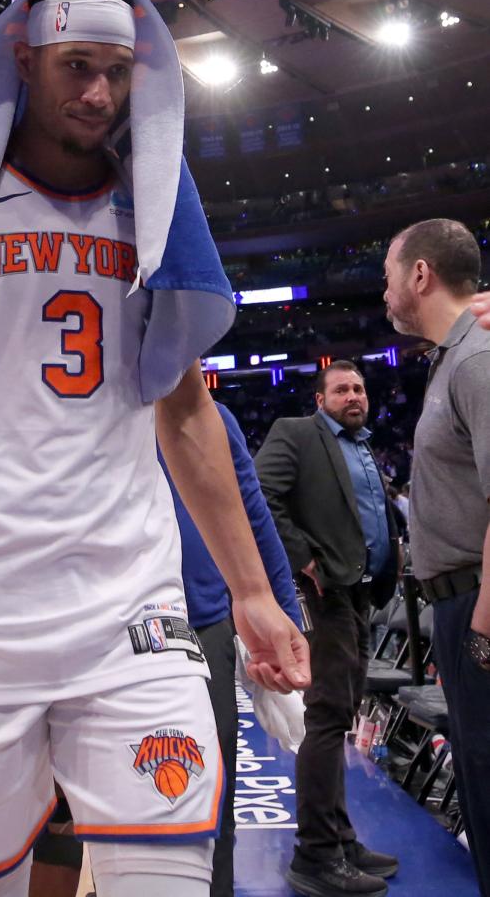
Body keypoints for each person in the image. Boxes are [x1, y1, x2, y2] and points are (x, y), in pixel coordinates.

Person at [0, 0, 309, 897]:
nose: (98, 93)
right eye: (75, 67)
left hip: (129, 614)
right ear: (22, 56)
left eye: (117, 69)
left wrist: (253, 592)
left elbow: (182, 406)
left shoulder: (155, 202)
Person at [255, 360, 400, 897]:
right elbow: (261, 495)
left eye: (359, 387)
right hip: (323, 594)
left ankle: (339, 836)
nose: (353, 395)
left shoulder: (362, 446)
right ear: (320, 400)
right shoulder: (295, 434)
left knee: (340, 715)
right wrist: (304, 560)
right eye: (341, 389)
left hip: (361, 593)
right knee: (325, 718)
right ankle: (315, 854)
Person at [383, 218, 490, 897]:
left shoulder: (475, 358)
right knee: (477, 775)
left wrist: (482, 622)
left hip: (478, 603)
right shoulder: (453, 357)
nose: (385, 292)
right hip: (458, 601)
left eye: (389, 275)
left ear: (420, 274)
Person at [162, 402, 302, 897]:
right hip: (103, 624)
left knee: (210, 799)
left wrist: (287, 616)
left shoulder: (209, 417)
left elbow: (252, 509)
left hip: (201, 626)